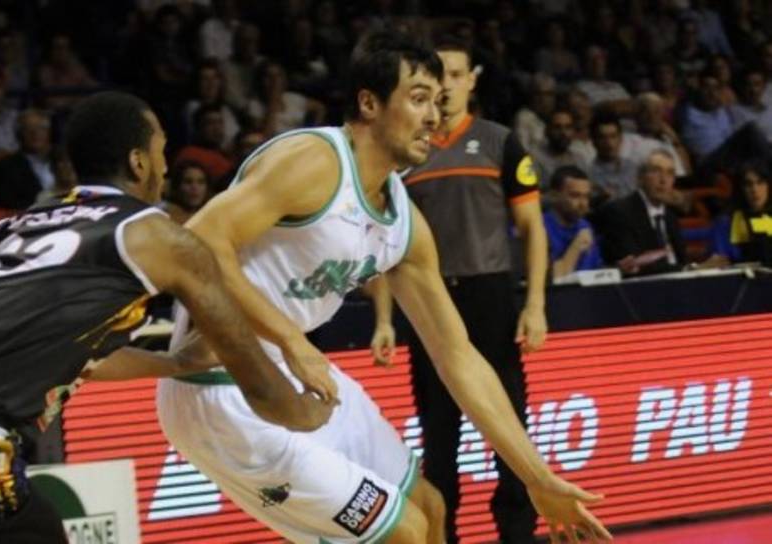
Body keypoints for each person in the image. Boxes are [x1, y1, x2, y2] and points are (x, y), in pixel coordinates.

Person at [156, 32, 611, 544]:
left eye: (437, 101)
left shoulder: (404, 225)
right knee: (403, 533)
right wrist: (291, 339)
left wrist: (536, 476)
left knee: (430, 508)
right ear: (370, 104)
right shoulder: (315, 161)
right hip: (223, 386)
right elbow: (194, 244)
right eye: (418, 99)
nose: (433, 116)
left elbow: (458, 356)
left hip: (300, 377)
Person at [0, 91, 332, 544]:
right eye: (162, 151)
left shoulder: (25, 223)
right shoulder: (160, 238)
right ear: (138, 162)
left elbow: (80, 359)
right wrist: (307, 413)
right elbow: (262, 388)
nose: (166, 167)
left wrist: (176, 363)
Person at [401, 37, 548, 544]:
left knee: (508, 429)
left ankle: (517, 535)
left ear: (472, 80)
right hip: (427, 302)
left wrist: (535, 303)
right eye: (436, 75)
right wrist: (382, 318)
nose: (445, 85)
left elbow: (531, 228)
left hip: (490, 299)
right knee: (438, 440)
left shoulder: (499, 141)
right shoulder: (408, 151)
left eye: (455, 74)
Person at [595, 149, 687, 276]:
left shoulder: (670, 216)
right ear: (640, 177)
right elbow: (636, 266)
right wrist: (687, 269)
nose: (663, 180)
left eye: (670, 173)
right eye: (656, 171)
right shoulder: (619, 212)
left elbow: (682, 260)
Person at [544, 166, 604, 279]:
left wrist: (620, 268)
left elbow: (597, 273)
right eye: (575, 196)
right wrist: (576, 247)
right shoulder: (540, 228)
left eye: (586, 197)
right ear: (553, 196)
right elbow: (554, 278)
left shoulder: (585, 226)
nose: (583, 204)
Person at [709, 162, 772, 265]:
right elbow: (720, 261)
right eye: (748, 184)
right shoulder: (725, 222)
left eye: (760, 182)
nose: (754, 190)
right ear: (740, 188)